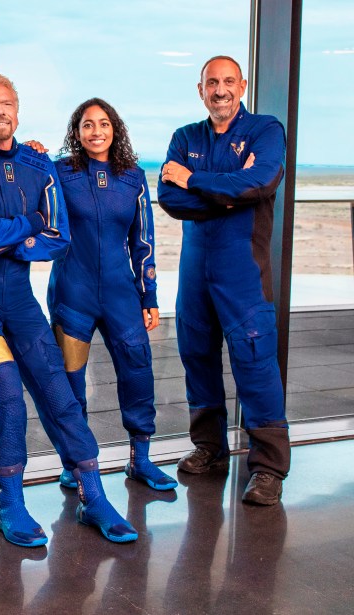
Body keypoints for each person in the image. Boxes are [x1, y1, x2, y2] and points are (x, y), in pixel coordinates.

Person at [0, 72, 137, 546]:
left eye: (6, 103)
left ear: (17, 110)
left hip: (20, 302)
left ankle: (94, 496)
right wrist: (27, 225)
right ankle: (9, 503)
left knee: (60, 394)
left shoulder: (38, 164)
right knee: (6, 393)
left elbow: (59, 235)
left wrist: (9, 238)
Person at [158, 55, 289, 505]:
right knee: (196, 354)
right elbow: (170, 199)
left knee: (254, 360)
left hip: (243, 272)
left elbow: (260, 182)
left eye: (228, 81)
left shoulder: (265, 130)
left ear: (243, 85)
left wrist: (194, 178)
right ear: (200, 90)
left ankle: (269, 468)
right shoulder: (185, 136)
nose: (220, 89)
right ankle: (210, 448)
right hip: (196, 272)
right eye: (212, 82)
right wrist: (229, 192)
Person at [48, 98, 177, 492]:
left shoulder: (133, 178)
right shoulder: (60, 172)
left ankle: (140, 459)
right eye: (88, 125)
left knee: (138, 373)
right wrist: (32, 149)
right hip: (73, 292)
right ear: (77, 132)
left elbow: (144, 241)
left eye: (103, 124)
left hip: (123, 295)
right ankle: (75, 461)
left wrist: (149, 295)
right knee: (71, 382)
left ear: (115, 129)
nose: (96, 131)